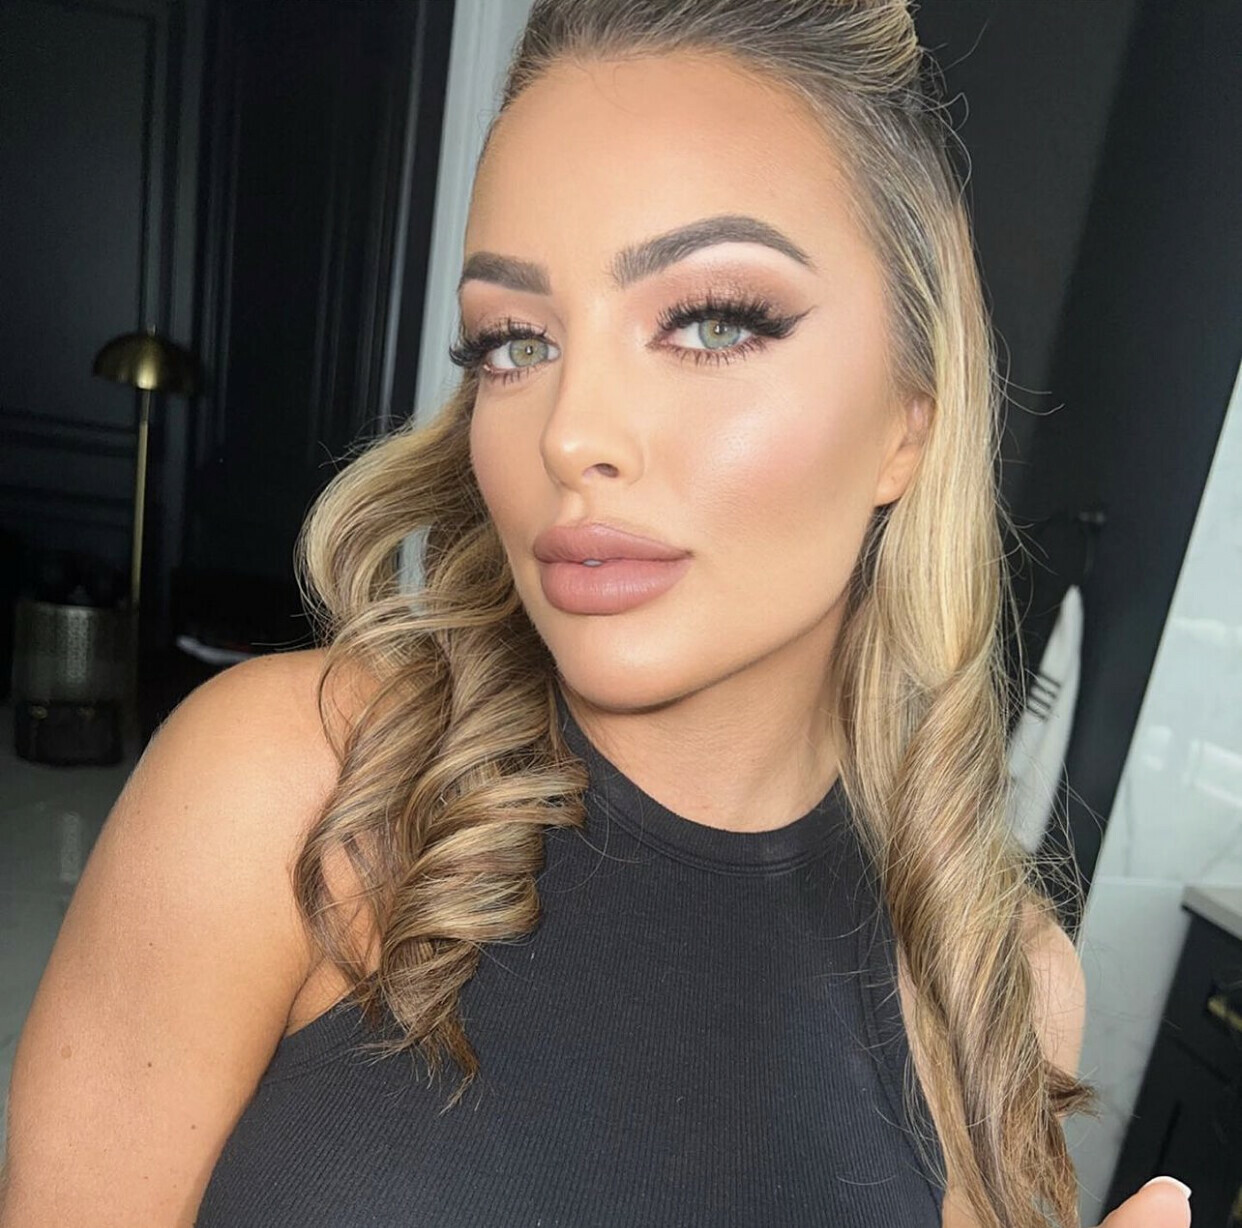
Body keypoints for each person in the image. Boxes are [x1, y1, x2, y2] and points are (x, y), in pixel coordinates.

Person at [0, 2, 1193, 1226]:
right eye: (514, 342)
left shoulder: (998, 989)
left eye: (714, 322)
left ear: (907, 419)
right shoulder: (295, 792)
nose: (570, 434)